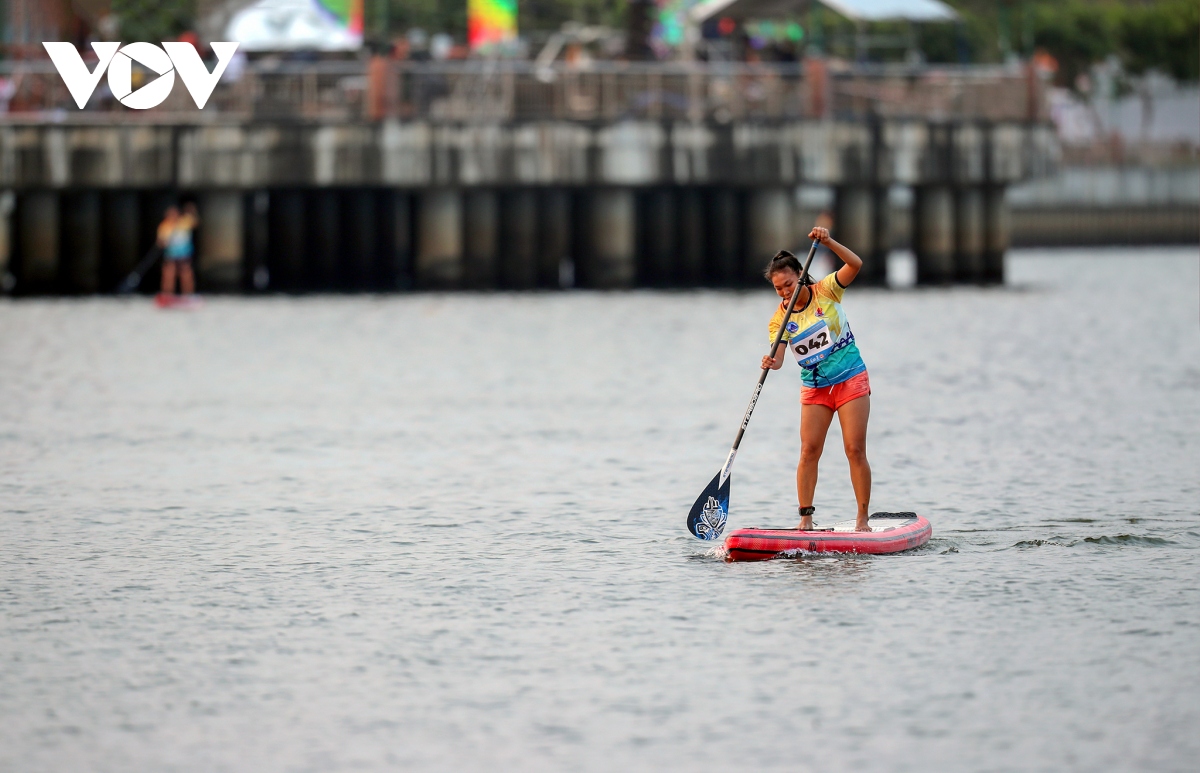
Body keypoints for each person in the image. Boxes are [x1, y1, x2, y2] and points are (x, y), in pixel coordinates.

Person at [761, 226, 872, 532]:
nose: (786, 293)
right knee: (809, 451)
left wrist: (828, 241)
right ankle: (805, 518)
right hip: (816, 388)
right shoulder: (779, 320)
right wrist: (771, 361)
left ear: (801, 274)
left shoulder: (827, 290)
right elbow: (781, 358)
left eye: (789, 284)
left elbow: (856, 265)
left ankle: (862, 519)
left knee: (854, 449)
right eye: (779, 289)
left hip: (851, 378)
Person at [158, 203, 198, 297]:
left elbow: (195, 222)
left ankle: (188, 295)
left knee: (186, 274)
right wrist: (164, 241)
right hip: (171, 254)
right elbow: (160, 242)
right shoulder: (165, 226)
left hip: (184, 254)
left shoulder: (184, 223)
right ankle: (167, 295)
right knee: (168, 274)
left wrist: (192, 211)